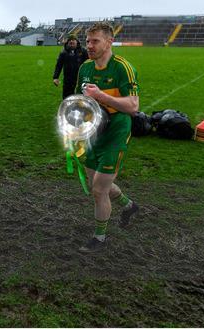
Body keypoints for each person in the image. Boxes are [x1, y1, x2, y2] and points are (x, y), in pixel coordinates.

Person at [76, 22, 140, 253]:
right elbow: (80, 103)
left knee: (98, 190)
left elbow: (133, 106)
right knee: (98, 182)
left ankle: (99, 237)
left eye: (95, 41)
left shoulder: (122, 68)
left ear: (109, 41)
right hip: (94, 131)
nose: (89, 46)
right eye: (88, 41)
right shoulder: (84, 68)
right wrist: (75, 128)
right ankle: (129, 205)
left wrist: (101, 95)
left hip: (116, 131)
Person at [52, 34, 88, 99]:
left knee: (81, 97)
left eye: (73, 40)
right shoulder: (63, 52)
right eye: (70, 40)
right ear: (67, 42)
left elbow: (89, 63)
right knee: (67, 98)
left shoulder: (83, 51)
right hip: (68, 79)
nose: (71, 42)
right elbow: (59, 65)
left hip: (81, 78)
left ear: (77, 41)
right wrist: (55, 77)